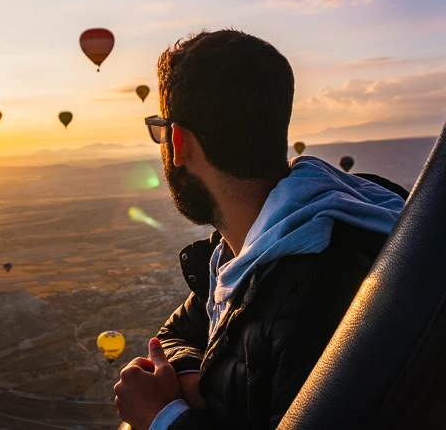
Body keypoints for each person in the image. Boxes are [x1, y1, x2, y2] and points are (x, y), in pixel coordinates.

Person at [113, 30, 407, 429]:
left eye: (161, 130)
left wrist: (163, 418)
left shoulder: (314, 296)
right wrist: (193, 380)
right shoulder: (239, 251)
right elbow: (176, 331)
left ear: (178, 142)